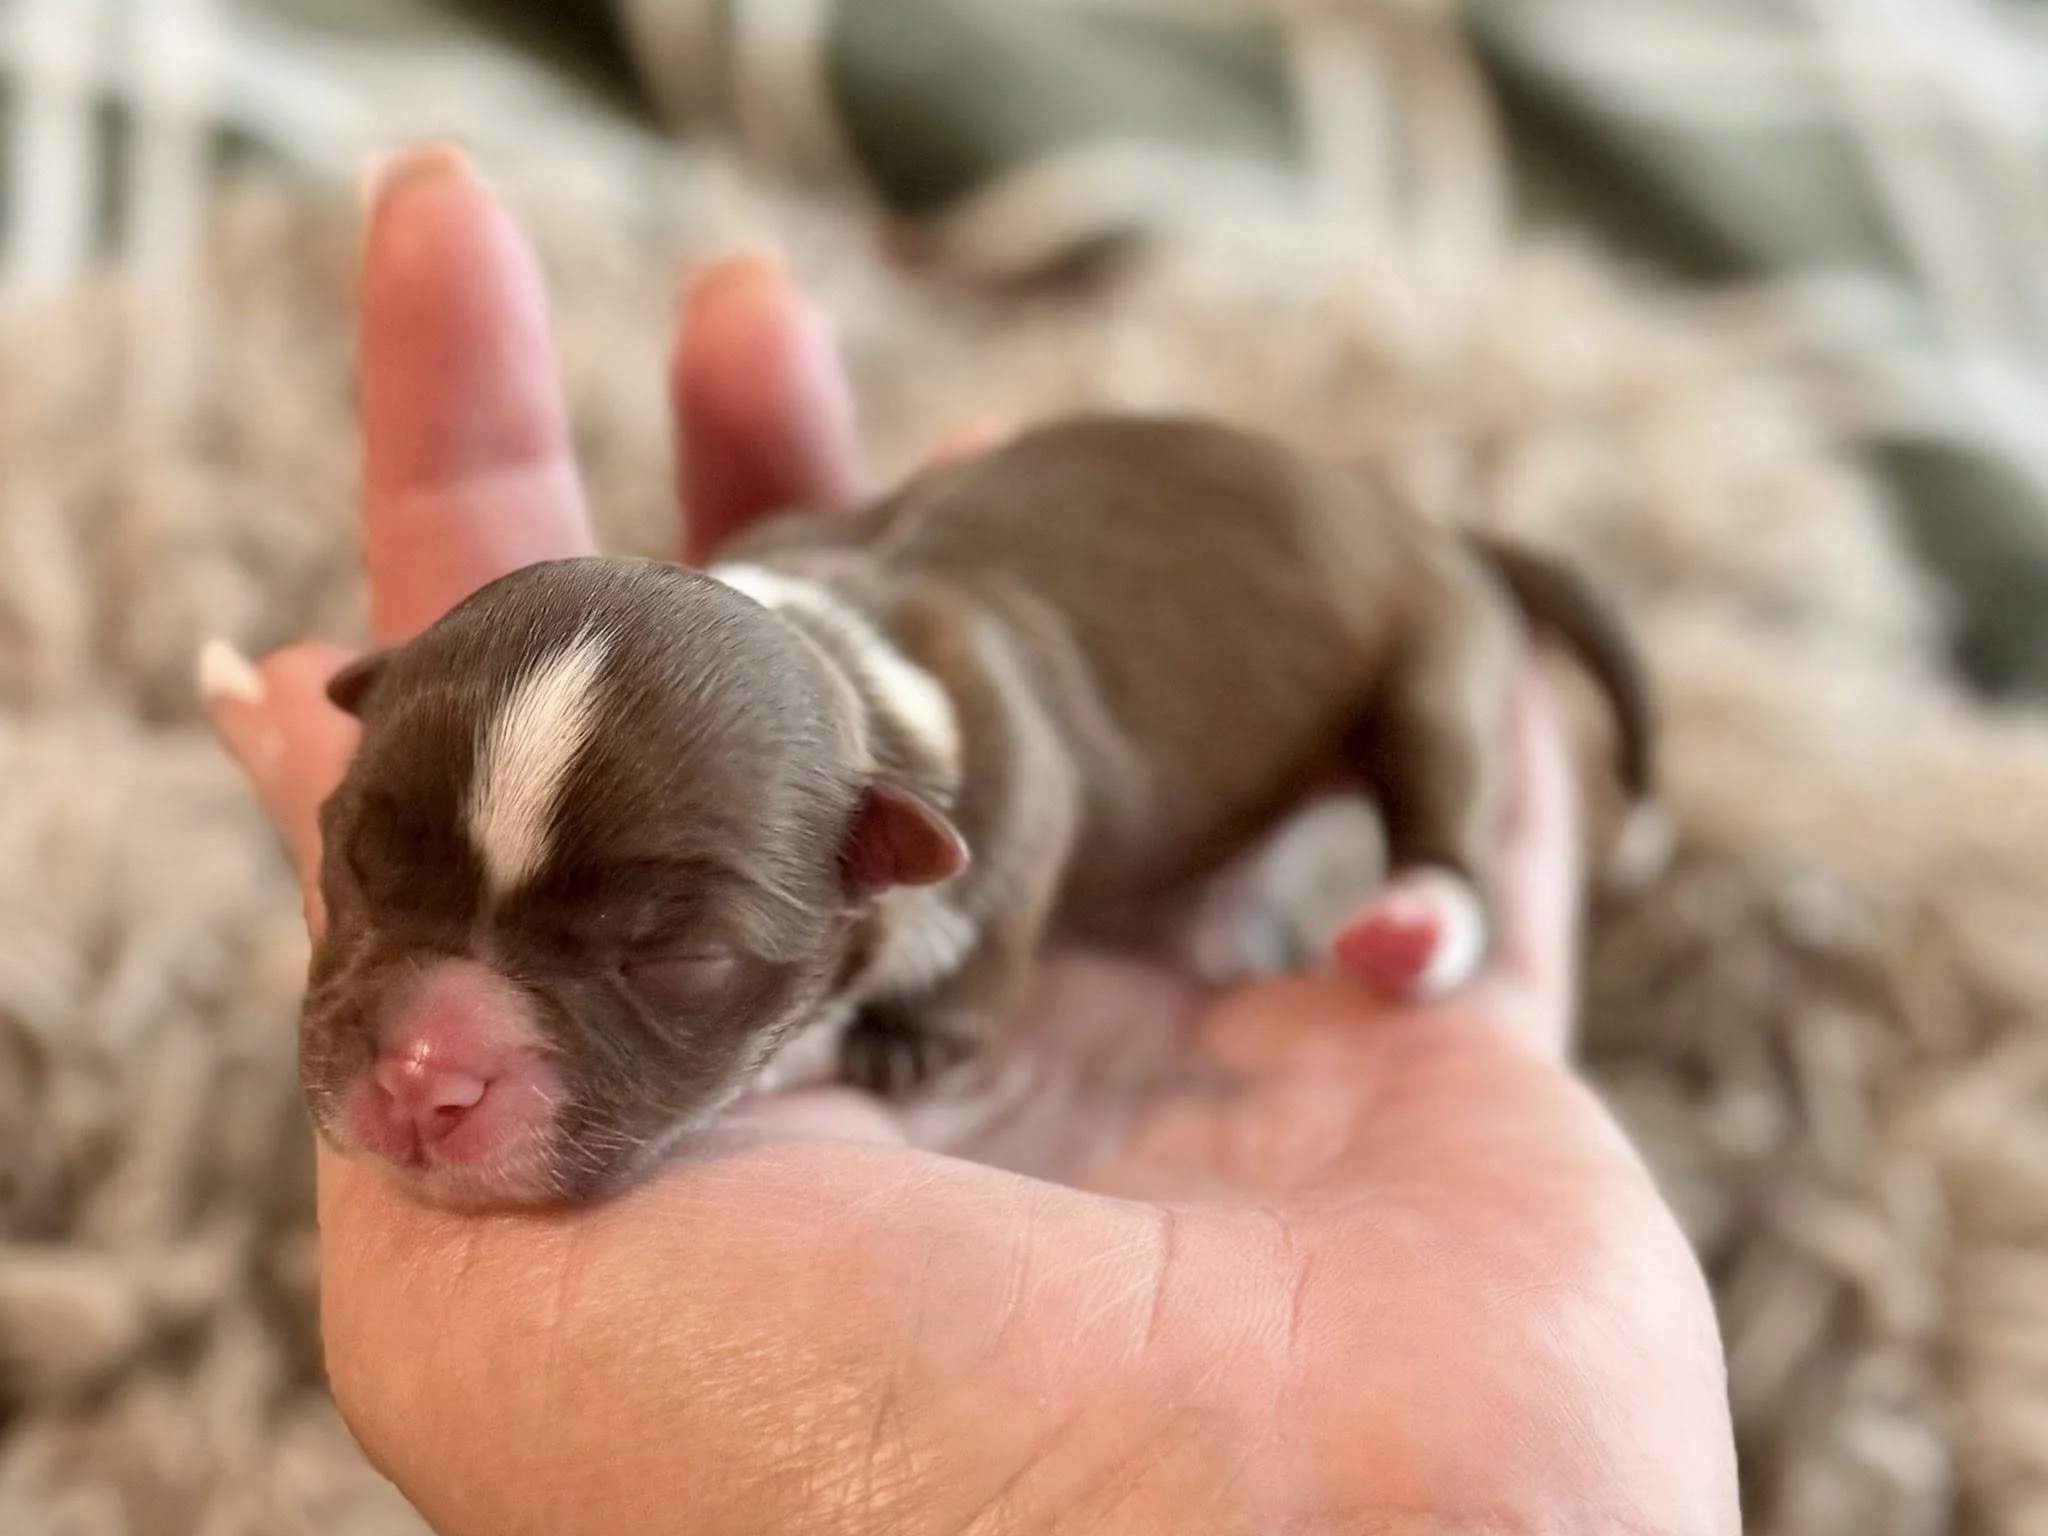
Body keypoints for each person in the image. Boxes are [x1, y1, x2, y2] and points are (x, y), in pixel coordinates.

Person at [202, 145, 1740, 1535]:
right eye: (376, 866)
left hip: (1377, 596)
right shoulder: (758, 638)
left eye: (664, 955)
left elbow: (947, 967)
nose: (424, 1056)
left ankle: (1442, 885)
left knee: (1439, 660)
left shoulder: (977, 800)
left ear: (886, 851)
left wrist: (906, 1028)